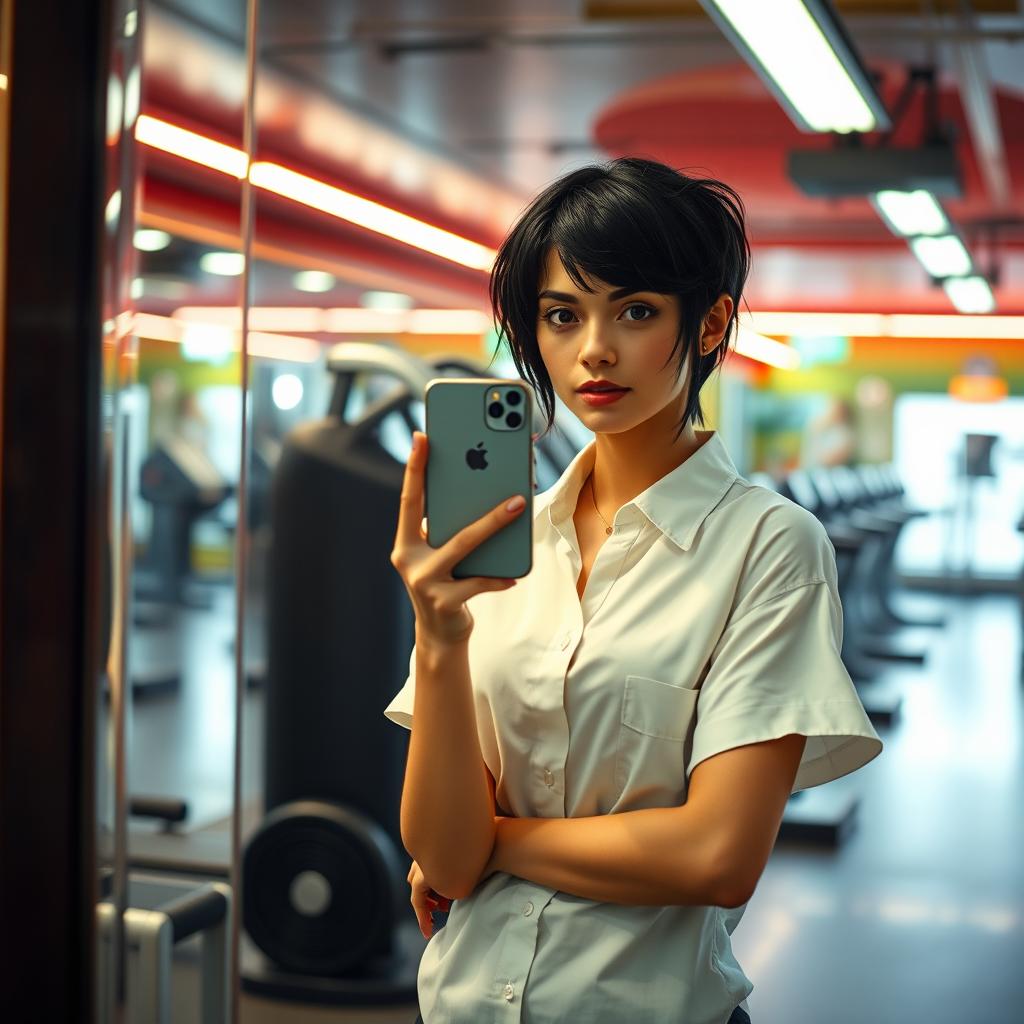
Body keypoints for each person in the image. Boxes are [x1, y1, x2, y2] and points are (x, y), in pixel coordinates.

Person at [385, 157, 883, 1024]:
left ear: (709, 324)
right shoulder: (507, 547)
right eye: (562, 316)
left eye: (637, 311)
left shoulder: (767, 546)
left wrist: (495, 843)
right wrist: (438, 635)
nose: (595, 351)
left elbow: (717, 855)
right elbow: (443, 856)